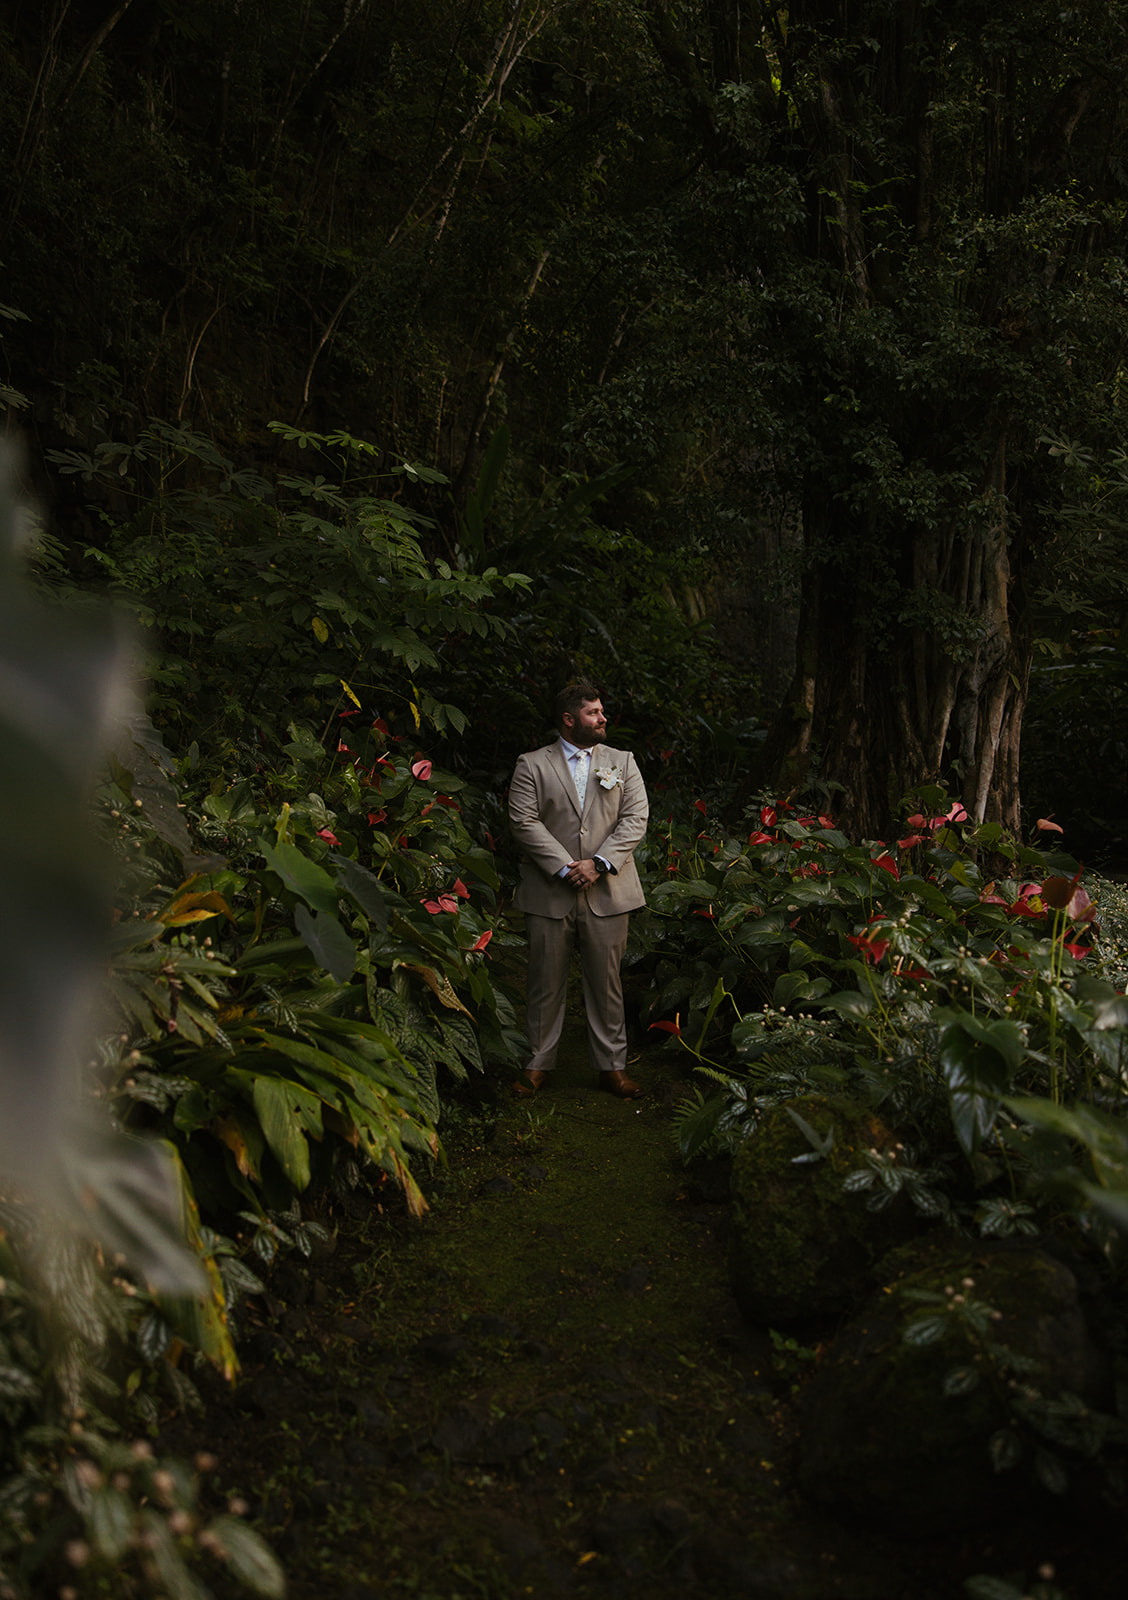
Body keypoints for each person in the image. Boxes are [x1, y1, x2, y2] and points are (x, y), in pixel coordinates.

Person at [508, 681, 649, 1099]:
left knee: (607, 984)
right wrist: (564, 867)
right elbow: (523, 821)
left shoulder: (623, 761)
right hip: (549, 891)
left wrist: (597, 864)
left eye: (602, 711)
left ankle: (612, 1067)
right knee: (544, 981)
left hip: (609, 891)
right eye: (594, 712)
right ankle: (538, 1063)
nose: (603, 718)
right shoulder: (532, 764)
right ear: (569, 720)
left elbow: (635, 818)